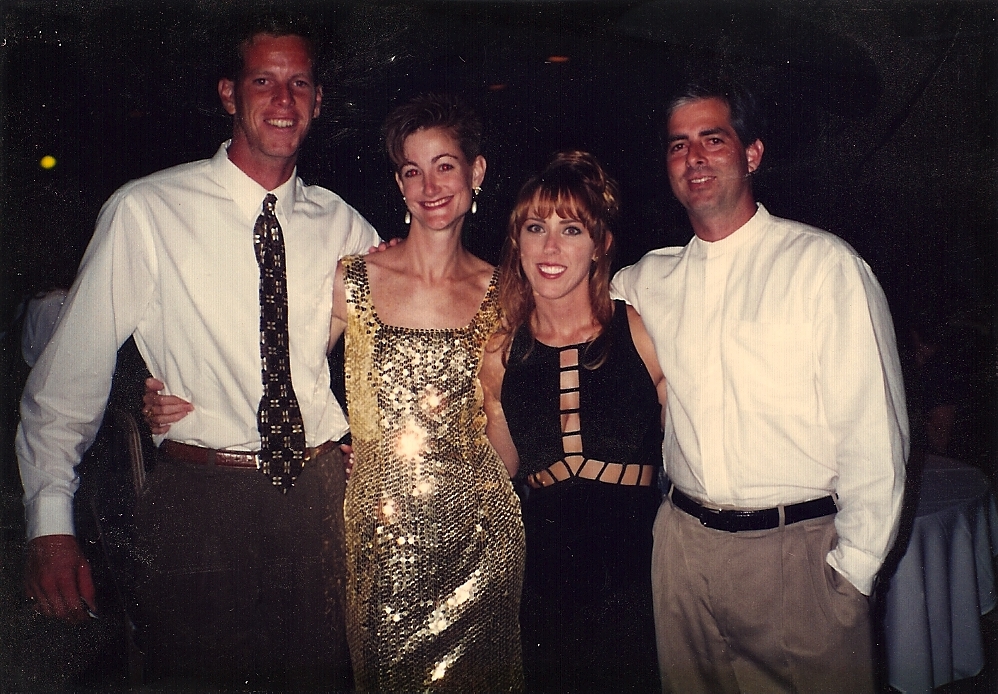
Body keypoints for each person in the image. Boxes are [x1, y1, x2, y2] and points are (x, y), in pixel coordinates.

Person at [16, 17, 381, 690]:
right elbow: (68, 378)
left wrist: (378, 444)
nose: (283, 99)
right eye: (263, 81)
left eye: (299, 83)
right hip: (201, 504)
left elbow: (401, 338)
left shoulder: (344, 224)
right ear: (229, 93)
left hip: (320, 499)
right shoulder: (147, 210)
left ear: (319, 100)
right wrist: (51, 524)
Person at [611, 82, 909, 693]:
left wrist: (853, 575)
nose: (694, 157)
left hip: (798, 561)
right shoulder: (646, 281)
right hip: (683, 556)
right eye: (678, 144)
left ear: (752, 154)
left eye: (713, 139)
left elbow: (875, 436)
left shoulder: (824, 266)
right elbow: (558, 306)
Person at [480, 150, 666, 693]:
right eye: (536, 228)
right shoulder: (501, 350)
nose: (551, 248)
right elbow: (499, 468)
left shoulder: (639, 328)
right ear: (517, 240)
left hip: (639, 568)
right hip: (547, 578)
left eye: (571, 230)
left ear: (600, 243)